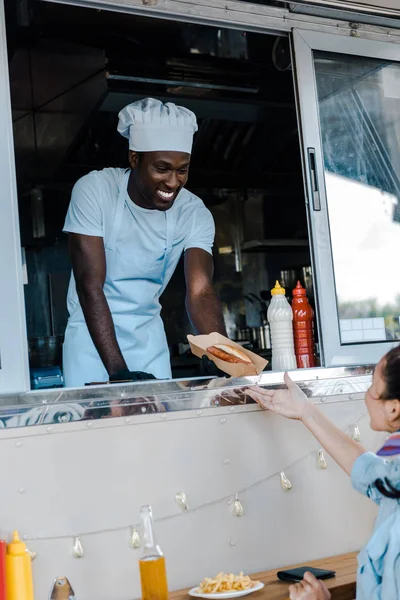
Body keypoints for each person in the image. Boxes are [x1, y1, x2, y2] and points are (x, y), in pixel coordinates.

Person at [62, 98, 226, 387]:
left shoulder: (193, 212)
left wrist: (223, 357)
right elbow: (89, 286)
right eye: (162, 169)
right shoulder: (95, 191)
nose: (173, 182)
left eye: (182, 170)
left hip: (148, 341)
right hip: (90, 345)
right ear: (135, 159)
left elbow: (200, 291)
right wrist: (119, 373)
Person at [246, 346, 400, 600]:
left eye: (373, 387)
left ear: (394, 408)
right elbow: (367, 470)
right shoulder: (392, 476)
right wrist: (305, 411)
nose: (367, 395)